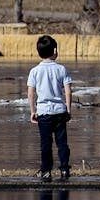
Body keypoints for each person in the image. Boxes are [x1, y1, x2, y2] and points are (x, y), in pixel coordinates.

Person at [27, 35, 73, 181]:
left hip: (43, 112)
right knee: (62, 143)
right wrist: (68, 109)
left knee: (45, 144)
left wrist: (32, 111)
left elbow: (30, 93)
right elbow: (68, 90)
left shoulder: (34, 71)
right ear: (55, 51)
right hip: (59, 111)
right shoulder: (61, 69)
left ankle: (46, 170)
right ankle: (64, 169)